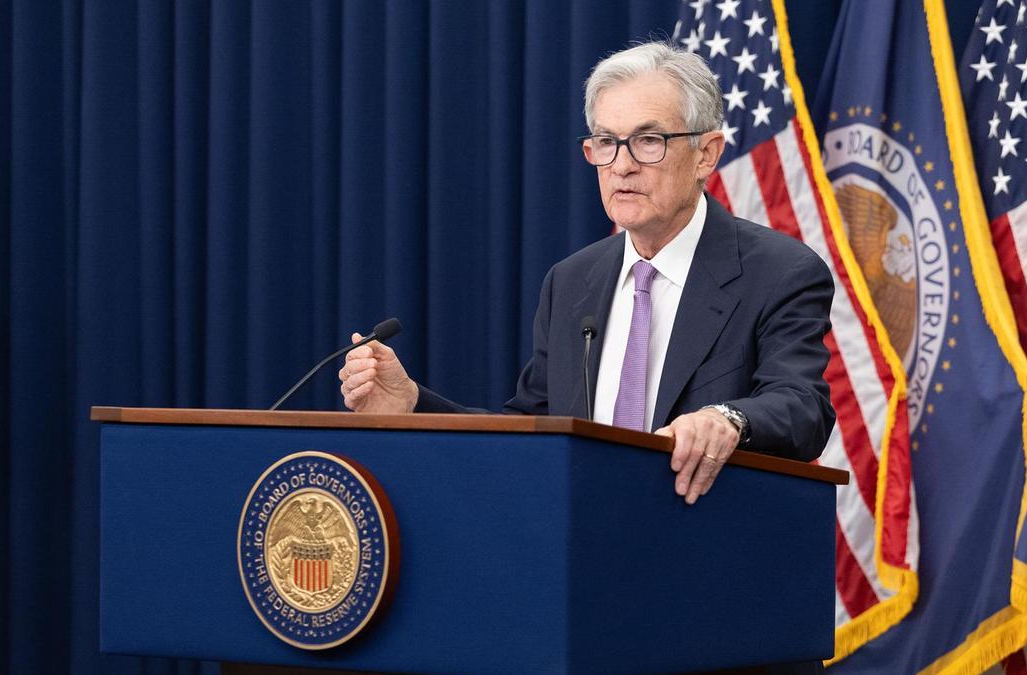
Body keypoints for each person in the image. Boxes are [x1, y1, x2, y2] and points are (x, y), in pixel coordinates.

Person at [339, 41, 835, 506]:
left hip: (710, 557)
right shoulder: (572, 281)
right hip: (582, 556)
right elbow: (531, 433)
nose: (621, 165)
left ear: (706, 153)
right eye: (606, 142)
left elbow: (803, 407)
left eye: (648, 141)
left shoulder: (779, 272)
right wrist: (412, 406)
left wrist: (727, 419)